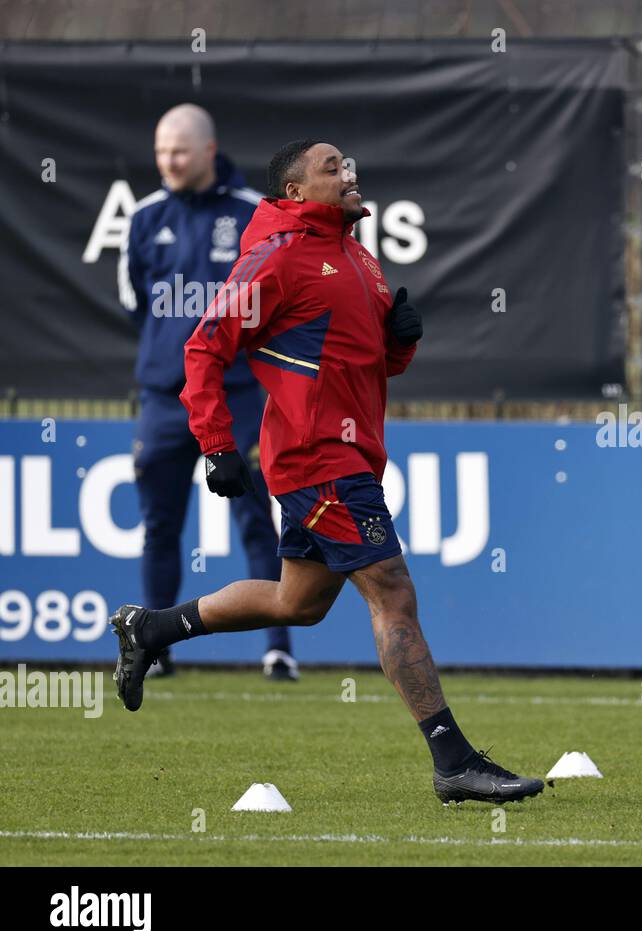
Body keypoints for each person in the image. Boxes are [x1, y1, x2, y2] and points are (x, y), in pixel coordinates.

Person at [111, 140, 544, 805]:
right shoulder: (276, 257)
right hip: (318, 457)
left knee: (299, 603)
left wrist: (399, 341)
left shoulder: (359, 256)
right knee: (392, 590)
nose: (350, 174)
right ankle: (453, 761)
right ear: (294, 193)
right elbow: (204, 345)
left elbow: (369, 367)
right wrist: (217, 443)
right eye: (333, 168)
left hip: (349, 451)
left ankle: (151, 629)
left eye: (349, 165)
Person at [119, 103, 296, 680]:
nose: (168, 161)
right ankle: (155, 650)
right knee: (159, 525)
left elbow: (272, 297)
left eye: (179, 150)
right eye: (161, 151)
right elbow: (136, 302)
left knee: (256, 519)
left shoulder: (252, 216)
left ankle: (277, 650)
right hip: (165, 402)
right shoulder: (144, 217)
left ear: (208, 151)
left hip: (240, 398)